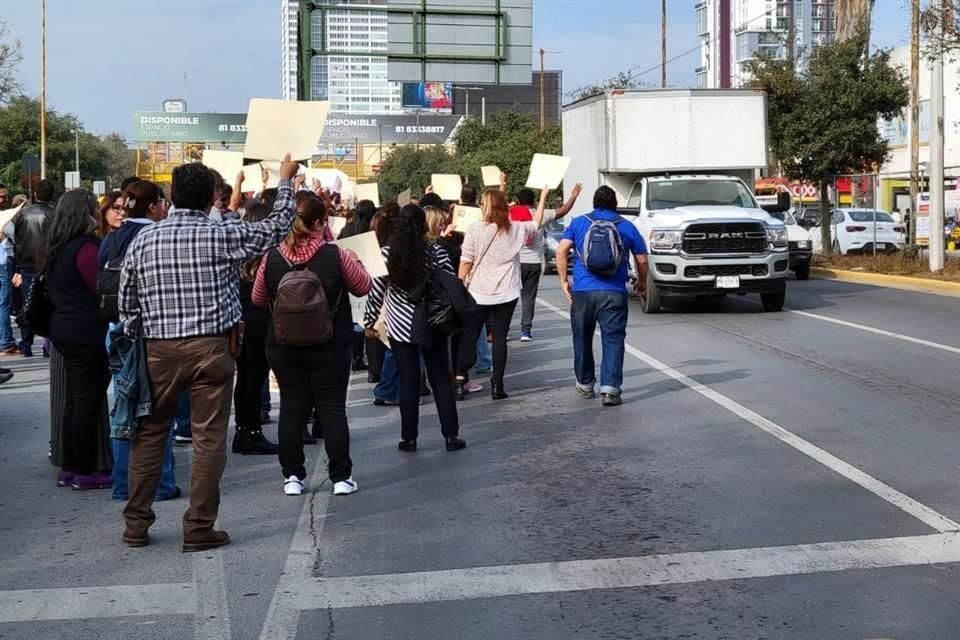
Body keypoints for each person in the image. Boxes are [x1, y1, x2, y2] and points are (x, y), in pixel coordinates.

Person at [118, 154, 299, 552]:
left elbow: (127, 303)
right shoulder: (220, 237)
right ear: (210, 199)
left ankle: (136, 524)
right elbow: (277, 226)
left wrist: (141, 335)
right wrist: (286, 182)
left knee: (150, 435)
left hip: (158, 350)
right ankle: (199, 526)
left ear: (171, 196)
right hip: (213, 349)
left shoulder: (145, 240)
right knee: (208, 439)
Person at [253, 193, 371, 496]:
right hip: (330, 342)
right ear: (320, 223)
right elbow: (363, 286)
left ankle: (293, 476)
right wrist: (356, 262)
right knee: (332, 409)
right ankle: (341, 478)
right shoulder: (336, 254)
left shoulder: (272, 256)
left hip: (283, 344)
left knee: (292, 409)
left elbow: (256, 298)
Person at [99, 180, 181, 502]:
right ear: (153, 205)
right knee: (158, 412)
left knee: (124, 409)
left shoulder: (111, 240)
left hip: (116, 330)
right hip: (150, 331)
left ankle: (122, 483)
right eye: (162, 202)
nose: (165, 208)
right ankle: (161, 483)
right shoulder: (154, 237)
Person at [364, 204, 465, 452]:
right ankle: (450, 435)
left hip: (400, 326)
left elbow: (376, 291)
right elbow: (450, 283)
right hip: (432, 323)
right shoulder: (436, 252)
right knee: (440, 379)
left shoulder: (387, 255)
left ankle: (409, 438)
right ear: (423, 225)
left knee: (408, 381)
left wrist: (369, 319)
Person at [41, 189, 112, 489]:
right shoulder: (85, 249)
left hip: (63, 330)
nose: (98, 212)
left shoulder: (56, 248)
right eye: (95, 207)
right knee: (86, 401)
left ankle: (70, 466)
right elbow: (101, 288)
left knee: (73, 401)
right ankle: (85, 470)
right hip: (86, 332)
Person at [555, 186, 649, 407]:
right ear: (615, 203)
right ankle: (610, 390)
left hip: (583, 293)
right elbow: (642, 260)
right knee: (613, 340)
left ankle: (585, 383)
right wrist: (642, 282)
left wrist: (563, 281)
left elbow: (561, 250)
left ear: (594, 203)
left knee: (582, 338)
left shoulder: (579, 222)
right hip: (614, 293)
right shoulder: (626, 226)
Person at [454, 188, 548, 401]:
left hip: (478, 290)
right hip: (507, 290)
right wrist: (542, 198)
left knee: (470, 334)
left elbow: (466, 260)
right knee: (499, 338)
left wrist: (460, 286)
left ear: (484, 206)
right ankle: (498, 384)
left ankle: (460, 378)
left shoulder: (475, 229)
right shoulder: (514, 228)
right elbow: (537, 222)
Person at [232, 202, 280, 456]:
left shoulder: (238, 252)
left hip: (240, 319)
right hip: (260, 318)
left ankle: (243, 431)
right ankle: (251, 433)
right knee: (254, 378)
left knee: (244, 379)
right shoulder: (265, 254)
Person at [509, 183, 583, 342]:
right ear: (534, 201)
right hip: (534, 262)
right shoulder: (541, 214)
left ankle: (503, 329)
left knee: (510, 298)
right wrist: (573, 196)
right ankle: (525, 331)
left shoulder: (511, 214)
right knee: (529, 297)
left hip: (515, 262)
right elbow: (563, 210)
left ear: (518, 201)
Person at [12, 179, 56, 358]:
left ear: (35, 194)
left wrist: (16, 267)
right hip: (48, 264)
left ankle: (26, 343)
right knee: (49, 303)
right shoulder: (55, 214)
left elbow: (18, 240)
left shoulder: (23, 214)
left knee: (27, 303)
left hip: (27, 265)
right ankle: (47, 345)